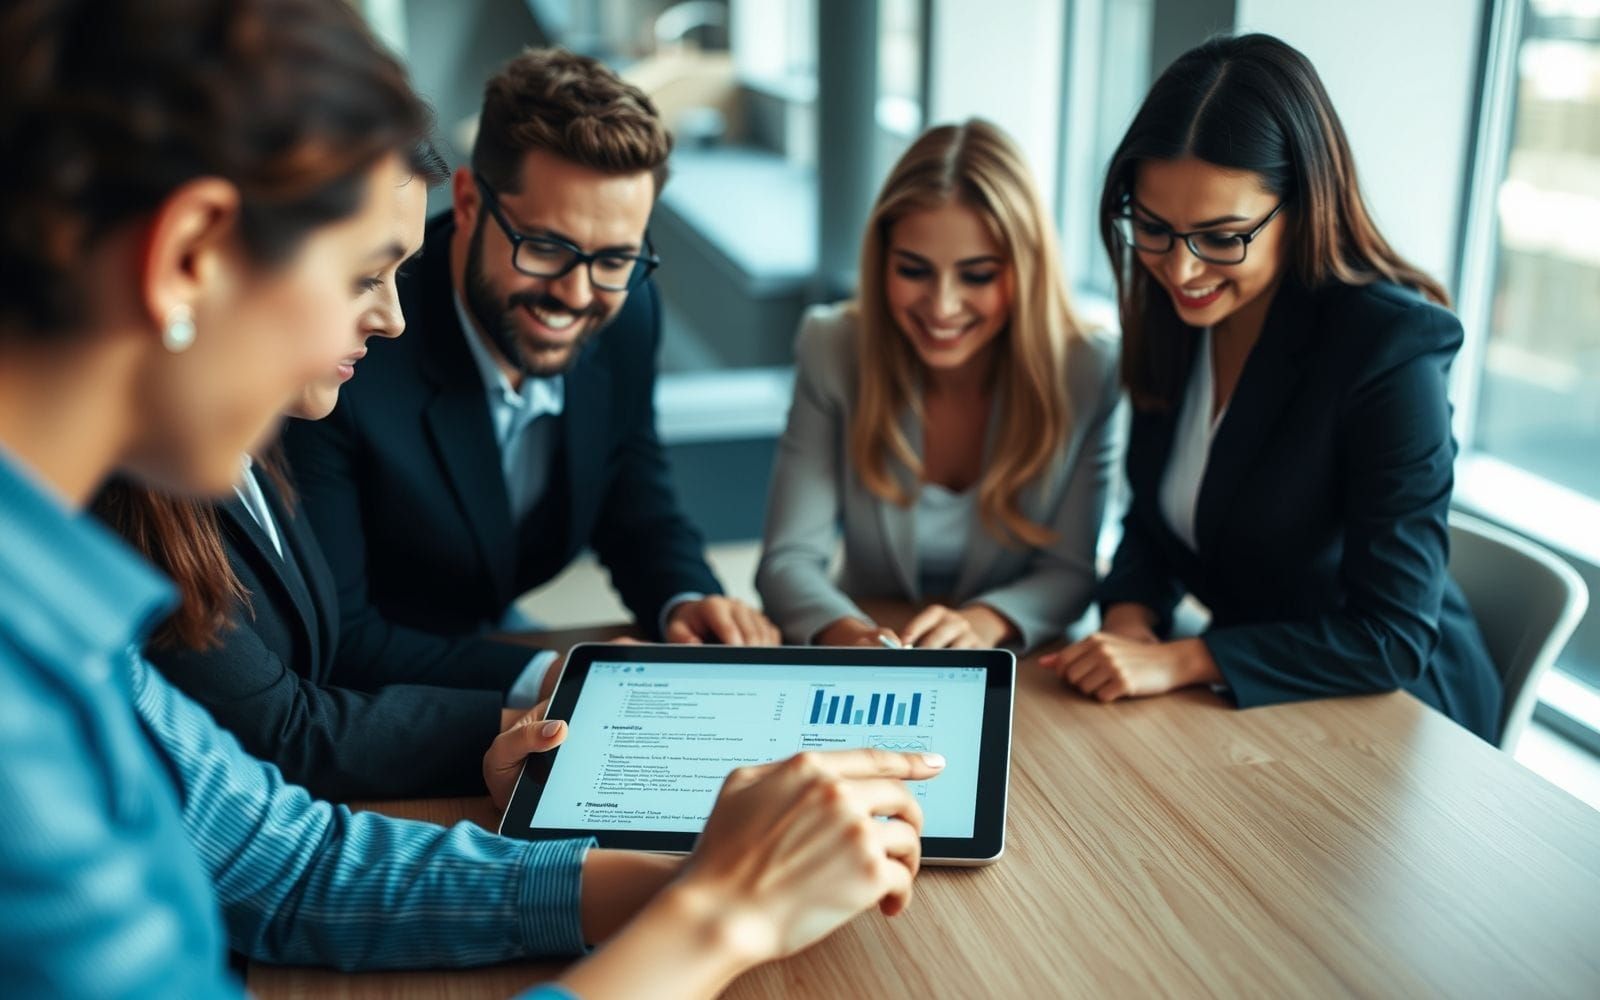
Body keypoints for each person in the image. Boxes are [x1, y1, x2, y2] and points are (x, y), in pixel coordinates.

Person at [0, 3, 938, 996]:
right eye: (362, 272)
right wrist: (717, 920)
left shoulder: (77, 632)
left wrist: (690, 880)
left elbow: (286, 862)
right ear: (190, 254)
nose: (391, 315)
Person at [1037, 34, 1502, 741]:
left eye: (1222, 237)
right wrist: (1130, 622)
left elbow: (1393, 636)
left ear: (1305, 205)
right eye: (1154, 228)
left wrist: (1184, 659)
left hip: (1397, 716)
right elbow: (1159, 525)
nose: (1182, 270)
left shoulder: (1391, 348)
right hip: (1242, 701)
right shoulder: (1170, 314)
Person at [91, 139, 563, 801]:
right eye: (365, 277)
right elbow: (275, 731)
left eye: (399, 277)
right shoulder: (115, 492)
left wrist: (540, 697)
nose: (395, 320)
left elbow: (323, 658)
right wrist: (521, 725)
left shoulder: (267, 430)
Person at [282, 47, 779, 658]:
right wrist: (556, 676)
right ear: (467, 203)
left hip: (497, 634)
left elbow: (634, 494)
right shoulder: (350, 349)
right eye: (545, 247)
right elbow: (347, 639)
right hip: (381, 674)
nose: (575, 295)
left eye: (614, 259)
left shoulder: (627, 314)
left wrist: (687, 598)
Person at [757, 119, 1121, 651]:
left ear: (1026, 270)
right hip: (868, 645)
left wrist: (983, 622)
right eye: (913, 270)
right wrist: (853, 636)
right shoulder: (831, 346)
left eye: (976, 275)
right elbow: (787, 561)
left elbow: (1068, 574)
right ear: (882, 260)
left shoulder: (1088, 369)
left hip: (1017, 667)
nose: (942, 306)